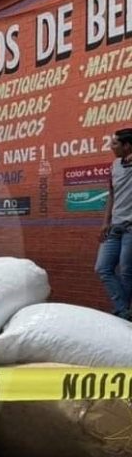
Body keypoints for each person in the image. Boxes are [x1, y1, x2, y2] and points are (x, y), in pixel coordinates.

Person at [96, 128, 132, 319]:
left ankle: (124, 314)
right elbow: (112, 194)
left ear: (127, 146)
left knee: (127, 272)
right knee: (102, 268)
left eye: (115, 143)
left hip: (130, 229)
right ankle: (124, 310)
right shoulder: (115, 165)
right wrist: (105, 222)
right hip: (114, 227)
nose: (111, 146)